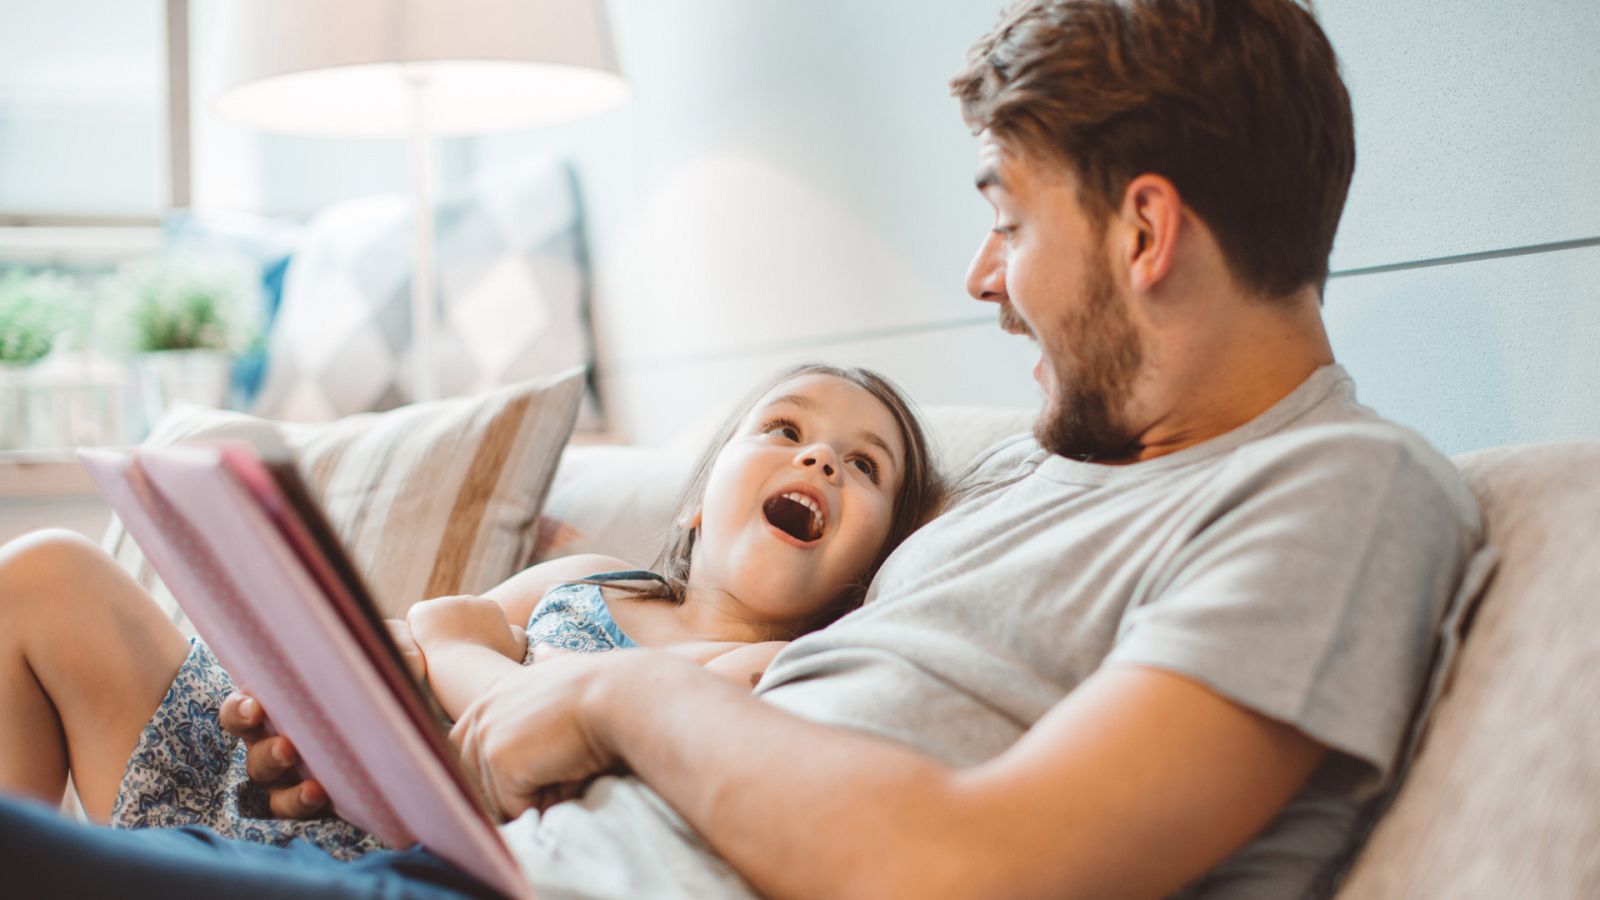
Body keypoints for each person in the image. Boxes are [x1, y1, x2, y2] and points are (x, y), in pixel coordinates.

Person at [0, 1, 1487, 897]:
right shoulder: (1058, 465)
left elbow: (964, 870)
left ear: (1146, 230)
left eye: (1010, 222)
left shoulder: (1341, 495)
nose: (982, 280)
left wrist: (615, 702)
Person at [0, 363, 943, 857]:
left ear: (869, 575)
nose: (818, 460)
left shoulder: (771, 675)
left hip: (382, 864)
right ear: (697, 501)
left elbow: (484, 656)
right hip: (290, 788)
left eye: (864, 466)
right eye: (784, 429)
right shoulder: (595, 580)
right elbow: (424, 634)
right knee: (46, 572)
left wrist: (456, 644)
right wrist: (314, 698)